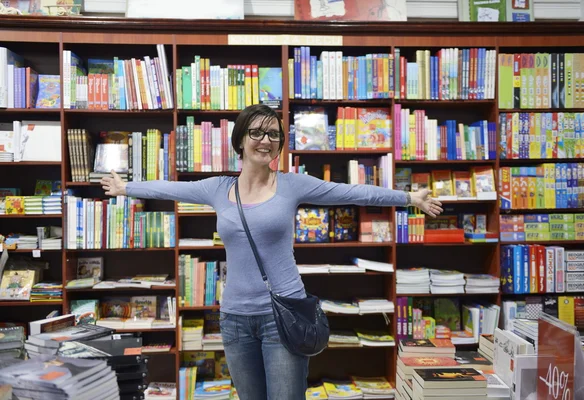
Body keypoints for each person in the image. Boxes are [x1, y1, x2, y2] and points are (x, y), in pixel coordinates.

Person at [101, 104, 443, 400]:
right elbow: (169, 188)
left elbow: (351, 192)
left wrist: (409, 198)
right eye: (257, 133)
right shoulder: (218, 188)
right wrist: (125, 187)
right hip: (234, 319)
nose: (266, 140)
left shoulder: (292, 184)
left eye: (274, 135)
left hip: (283, 316)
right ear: (240, 140)